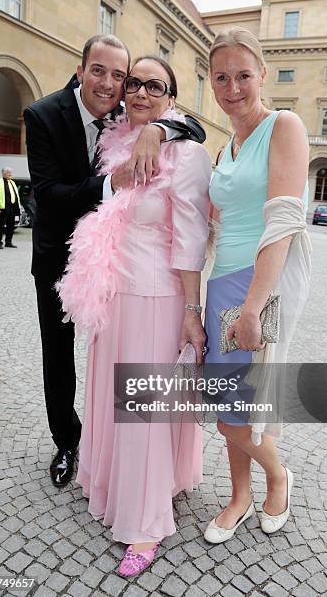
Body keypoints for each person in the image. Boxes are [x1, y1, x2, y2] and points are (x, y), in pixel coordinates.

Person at [23, 35, 205, 487]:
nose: (110, 84)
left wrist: (156, 129)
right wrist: (111, 184)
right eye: (99, 71)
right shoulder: (43, 115)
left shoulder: (129, 115)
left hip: (118, 263)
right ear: (80, 70)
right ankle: (67, 441)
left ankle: (118, 455)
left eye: (119, 77)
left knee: (110, 359)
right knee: (59, 354)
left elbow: (192, 129)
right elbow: (46, 197)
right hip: (58, 255)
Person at [57, 55, 211, 576]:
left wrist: (193, 312)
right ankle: (115, 484)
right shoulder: (115, 141)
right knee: (113, 399)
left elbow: (191, 239)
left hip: (155, 296)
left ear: (171, 96)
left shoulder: (185, 154)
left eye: (155, 85)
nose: (140, 93)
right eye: (133, 83)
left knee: (142, 408)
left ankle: (145, 523)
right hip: (115, 296)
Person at [203, 26, 311, 544]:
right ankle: (239, 496)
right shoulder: (226, 147)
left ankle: (277, 476)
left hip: (259, 283)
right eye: (221, 77)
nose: (233, 87)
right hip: (220, 281)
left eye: (243, 75)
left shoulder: (283, 125)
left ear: (262, 74)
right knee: (230, 405)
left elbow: (285, 218)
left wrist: (253, 306)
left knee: (240, 413)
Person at [0, 167, 20, 249]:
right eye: (8, 172)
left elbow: (15, 195)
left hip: (12, 208)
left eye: (11, 172)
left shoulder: (12, 183)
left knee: (11, 226)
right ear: (3, 173)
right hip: (3, 208)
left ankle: (8, 242)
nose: (10, 174)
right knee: (0, 226)